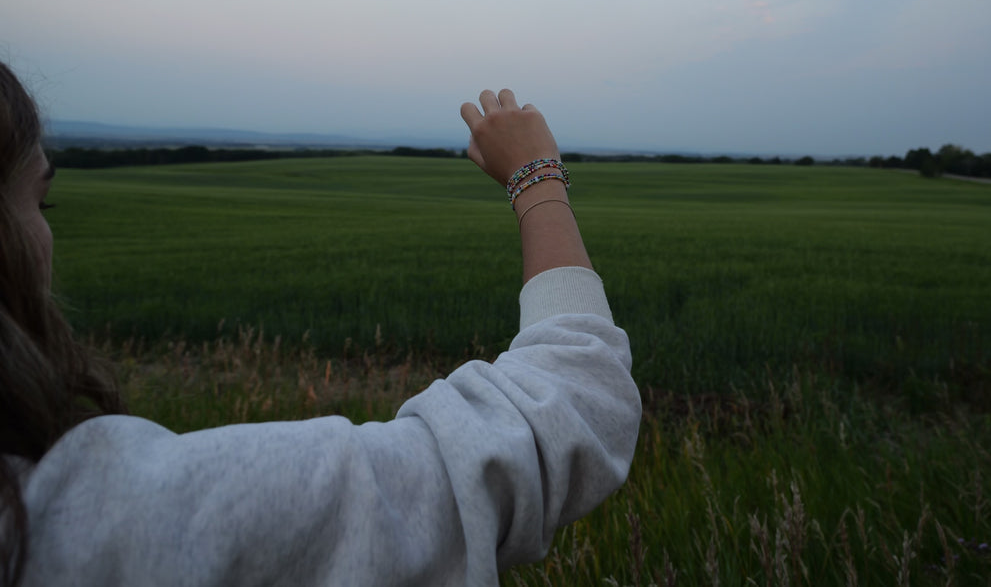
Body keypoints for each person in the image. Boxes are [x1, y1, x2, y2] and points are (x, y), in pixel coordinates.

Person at [0, 65, 642, 587]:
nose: (47, 232)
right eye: (38, 201)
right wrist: (538, 178)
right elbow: (574, 400)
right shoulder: (109, 521)